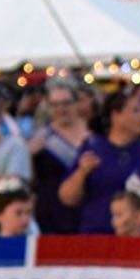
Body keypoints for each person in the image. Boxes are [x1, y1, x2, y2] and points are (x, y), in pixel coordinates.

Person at [59, 86, 140, 233]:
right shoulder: (93, 149)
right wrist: (81, 173)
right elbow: (67, 198)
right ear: (116, 115)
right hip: (98, 240)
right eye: (135, 111)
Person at [27, 81, 89, 234]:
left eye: (66, 103)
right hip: (51, 217)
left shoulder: (93, 136)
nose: (61, 109)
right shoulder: (40, 139)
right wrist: (29, 155)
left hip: (86, 213)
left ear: (76, 104)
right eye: (55, 105)